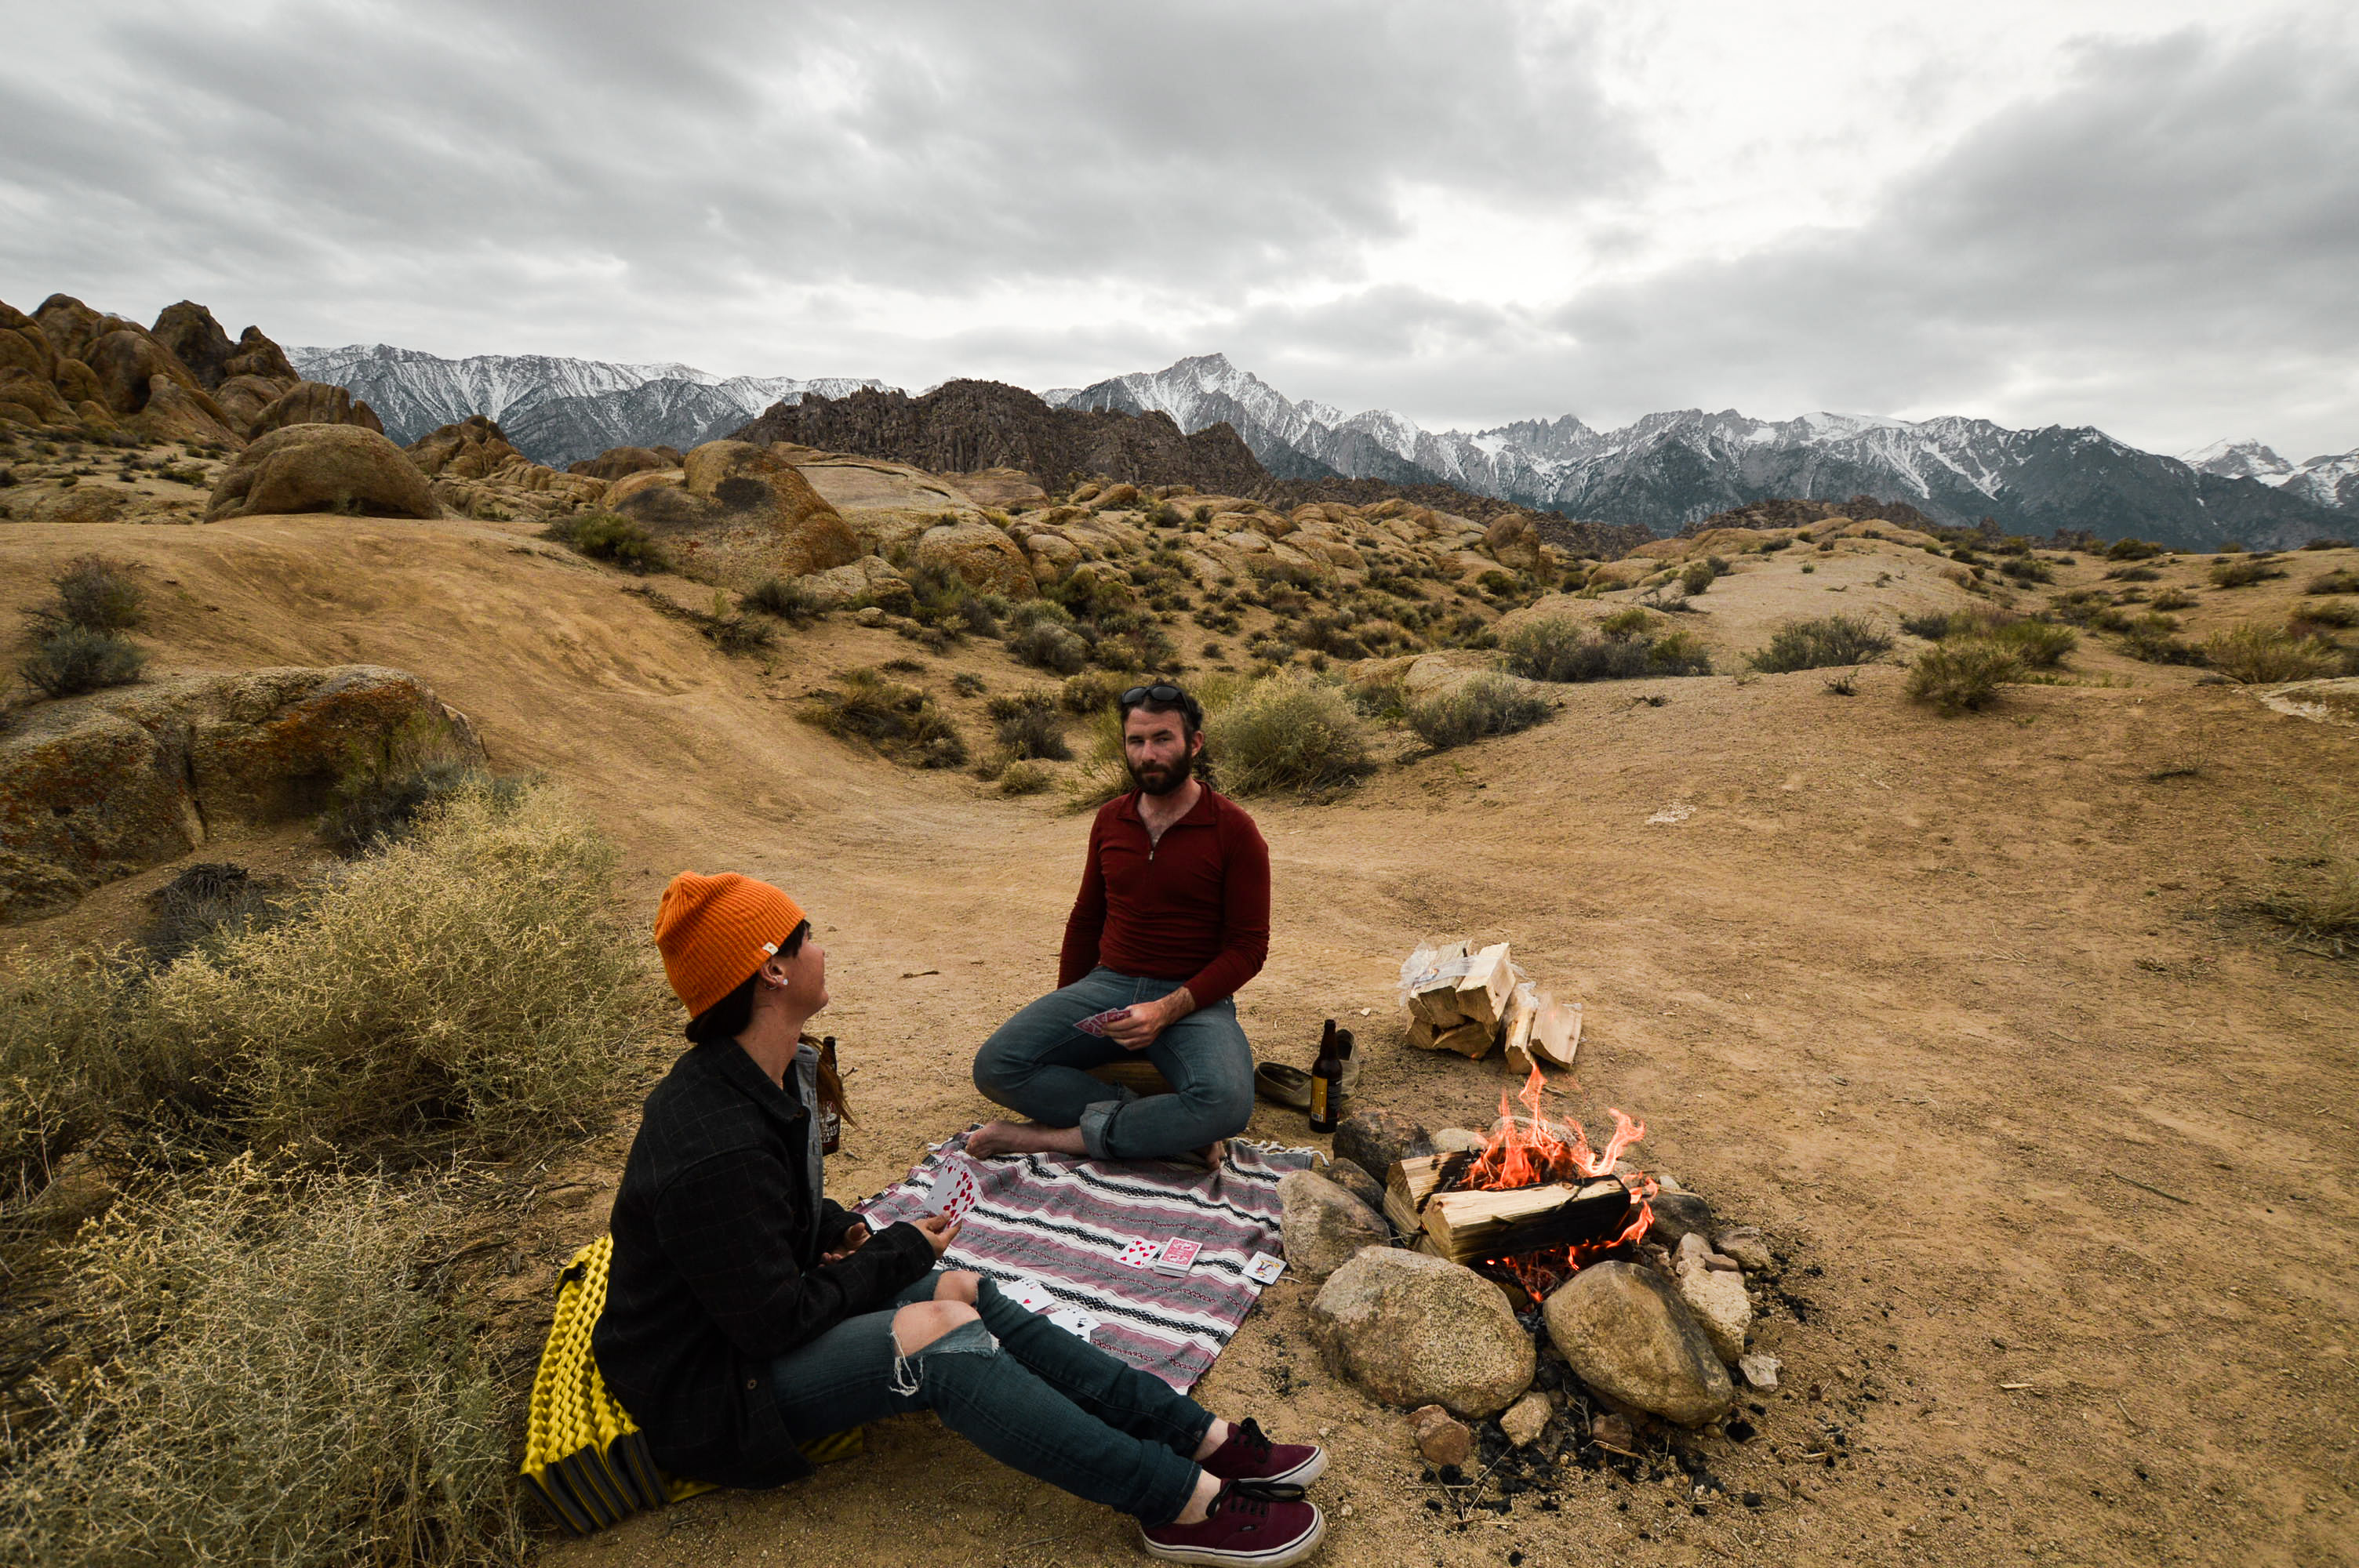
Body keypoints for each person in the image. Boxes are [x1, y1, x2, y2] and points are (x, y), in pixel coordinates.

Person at [594, 871, 1328, 1566]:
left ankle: (1195, 1436)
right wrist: (895, 1251)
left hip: (745, 1328)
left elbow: (770, 1205)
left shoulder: (768, 1071)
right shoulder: (711, 1141)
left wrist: (836, 1228)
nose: (822, 947)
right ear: (772, 972)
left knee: (966, 1289)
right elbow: (771, 1324)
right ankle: (1176, 1503)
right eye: (804, 935)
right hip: (711, 1388)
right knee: (937, 1338)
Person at [970, 683, 1268, 1164]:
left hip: (1193, 997)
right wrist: (1067, 1004)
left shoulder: (1235, 831)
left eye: (1162, 739)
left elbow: (1249, 947)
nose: (1148, 754)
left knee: (1227, 1104)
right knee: (998, 1067)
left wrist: (1168, 1009)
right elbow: (1087, 919)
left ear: (1194, 744)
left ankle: (1050, 1138)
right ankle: (1167, 1129)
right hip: (1109, 984)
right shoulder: (1111, 819)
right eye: (1136, 741)